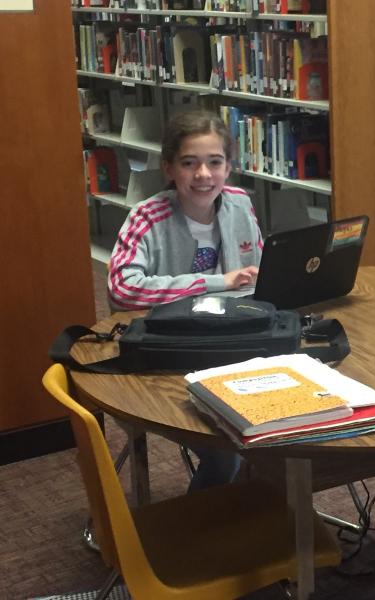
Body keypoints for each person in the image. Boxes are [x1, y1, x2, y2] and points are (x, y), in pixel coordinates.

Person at [107, 110, 262, 492]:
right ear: (169, 169)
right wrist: (215, 281)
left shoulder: (240, 203)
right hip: (164, 361)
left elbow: (258, 274)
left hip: (229, 348)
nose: (204, 175)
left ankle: (262, 519)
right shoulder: (146, 217)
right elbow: (122, 289)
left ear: (229, 166)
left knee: (290, 419)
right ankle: (203, 537)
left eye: (215, 162)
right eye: (189, 163)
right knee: (229, 448)